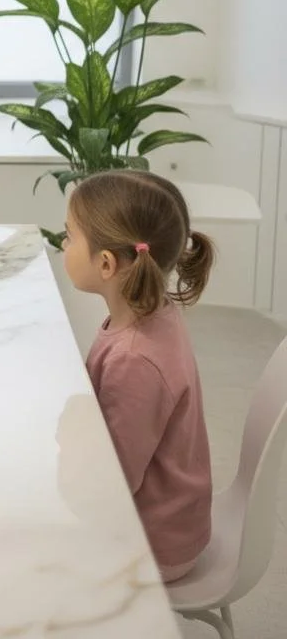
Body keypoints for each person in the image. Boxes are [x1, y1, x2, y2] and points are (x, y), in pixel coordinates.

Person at [62, 169, 215, 583]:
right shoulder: (151, 312)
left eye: (70, 235)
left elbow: (109, 486)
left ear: (106, 263)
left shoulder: (135, 360)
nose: (63, 243)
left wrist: (68, 434)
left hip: (153, 542)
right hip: (164, 520)